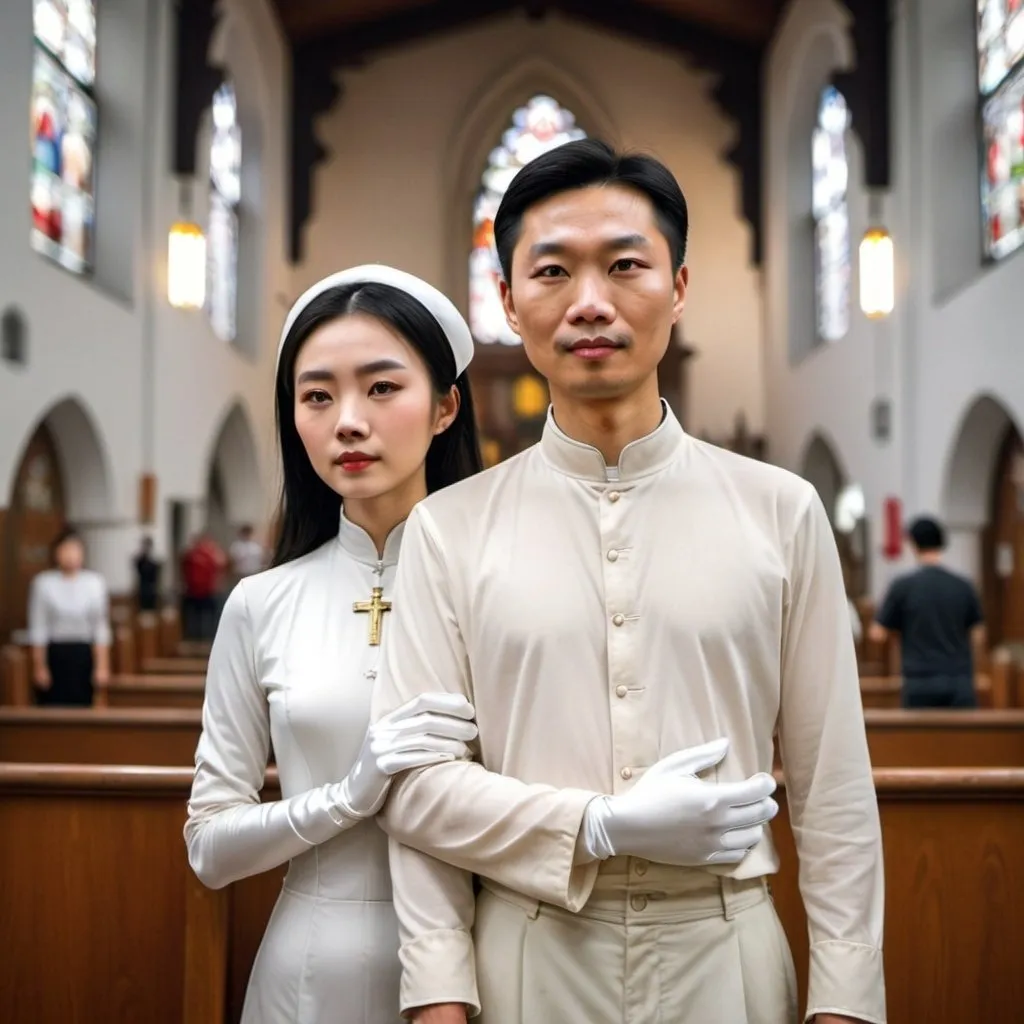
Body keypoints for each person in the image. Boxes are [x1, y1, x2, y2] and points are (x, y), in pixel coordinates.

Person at [373, 140, 885, 1024]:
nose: (590, 303)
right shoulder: (446, 531)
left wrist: (844, 1001)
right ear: (506, 301)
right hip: (528, 954)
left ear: (678, 287)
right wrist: (440, 995)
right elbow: (416, 788)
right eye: (553, 272)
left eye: (624, 265)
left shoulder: (782, 510)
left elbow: (832, 787)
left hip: (725, 950)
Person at [184, 265, 484, 1024]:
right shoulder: (261, 602)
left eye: (382, 388)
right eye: (317, 396)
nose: (348, 421)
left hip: (479, 968)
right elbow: (209, 847)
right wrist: (347, 796)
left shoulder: (505, 588)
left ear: (446, 406)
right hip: (308, 972)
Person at [869, 515, 984, 708]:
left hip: (919, 682)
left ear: (913, 544)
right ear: (941, 542)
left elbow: (877, 633)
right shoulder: (963, 586)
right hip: (959, 681)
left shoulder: (903, 587)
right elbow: (979, 635)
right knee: (962, 738)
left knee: (921, 738)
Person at [28, 526, 111, 706]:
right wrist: (39, 666)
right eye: (66, 549)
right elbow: (38, 628)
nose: (71, 555)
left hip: (82, 654)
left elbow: (100, 628)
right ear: (56, 552)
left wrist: (102, 666)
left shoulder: (94, 582)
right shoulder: (44, 583)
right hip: (56, 653)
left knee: (83, 706)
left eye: (75, 549)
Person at [180, 532, 226, 639]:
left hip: (198, 590)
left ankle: (195, 636)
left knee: (196, 617)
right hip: (203, 590)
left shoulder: (191, 554)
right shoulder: (211, 554)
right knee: (206, 617)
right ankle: (206, 636)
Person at [133, 535, 162, 612]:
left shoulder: (154, 561)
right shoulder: (140, 560)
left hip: (152, 591)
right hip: (142, 591)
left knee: (152, 612)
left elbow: (157, 576)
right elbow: (138, 569)